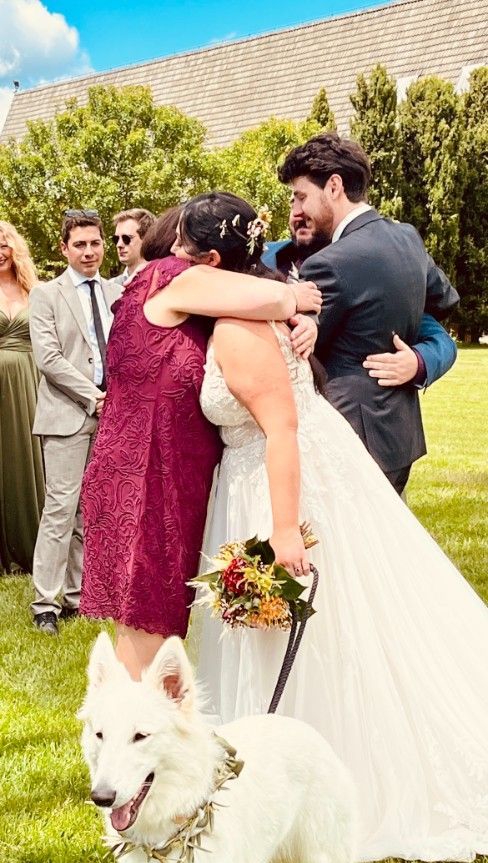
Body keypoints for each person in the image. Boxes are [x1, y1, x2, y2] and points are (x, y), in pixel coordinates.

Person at [176, 191, 488, 863]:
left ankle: (307, 784)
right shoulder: (269, 296)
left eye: (183, 249)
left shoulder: (236, 326)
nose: (174, 260)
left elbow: (281, 431)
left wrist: (284, 532)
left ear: (207, 258)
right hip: (295, 466)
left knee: (302, 628)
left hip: (278, 481)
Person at [79, 214, 321, 680]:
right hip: (144, 475)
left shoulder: (197, 302)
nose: (178, 251)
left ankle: (147, 734)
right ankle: (133, 738)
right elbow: (272, 294)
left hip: (164, 473)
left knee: (153, 626)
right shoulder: (169, 275)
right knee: (145, 623)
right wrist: (297, 298)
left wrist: (304, 317)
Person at [277, 133, 460, 494]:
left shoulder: (328, 263)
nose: (297, 208)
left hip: (350, 436)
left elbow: (300, 351)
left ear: (334, 187)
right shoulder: (407, 236)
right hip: (399, 436)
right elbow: (445, 299)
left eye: (301, 196)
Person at [29, 209, 120, 635]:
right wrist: (94, 396)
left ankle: (77, 596)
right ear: (64, 248)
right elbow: (48, 359)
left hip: (109, 417)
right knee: (60, 509)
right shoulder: (46, 294)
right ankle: (44, 602)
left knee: (90, 510)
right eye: (79, 244)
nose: (89, 251)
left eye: (95, 243)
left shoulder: (114, 290)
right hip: (67, 414)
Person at [263, 210, 457, 393]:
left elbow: (441, 340)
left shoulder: (369, 271)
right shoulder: (263, 256)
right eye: (294, 201)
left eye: (306, 202)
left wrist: (418, 363)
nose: (298, 212)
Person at [0, 221, 44, 573]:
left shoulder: (37, 291)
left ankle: (32, 546)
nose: (0, 253)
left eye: (4, 245)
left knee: (28, 456)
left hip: (30, 382)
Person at [111, 207, 155, 285]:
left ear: (146, 238)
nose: (119, 244)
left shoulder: (162, 282)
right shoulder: (110, 287)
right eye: (116, 239)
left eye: (126, 238)